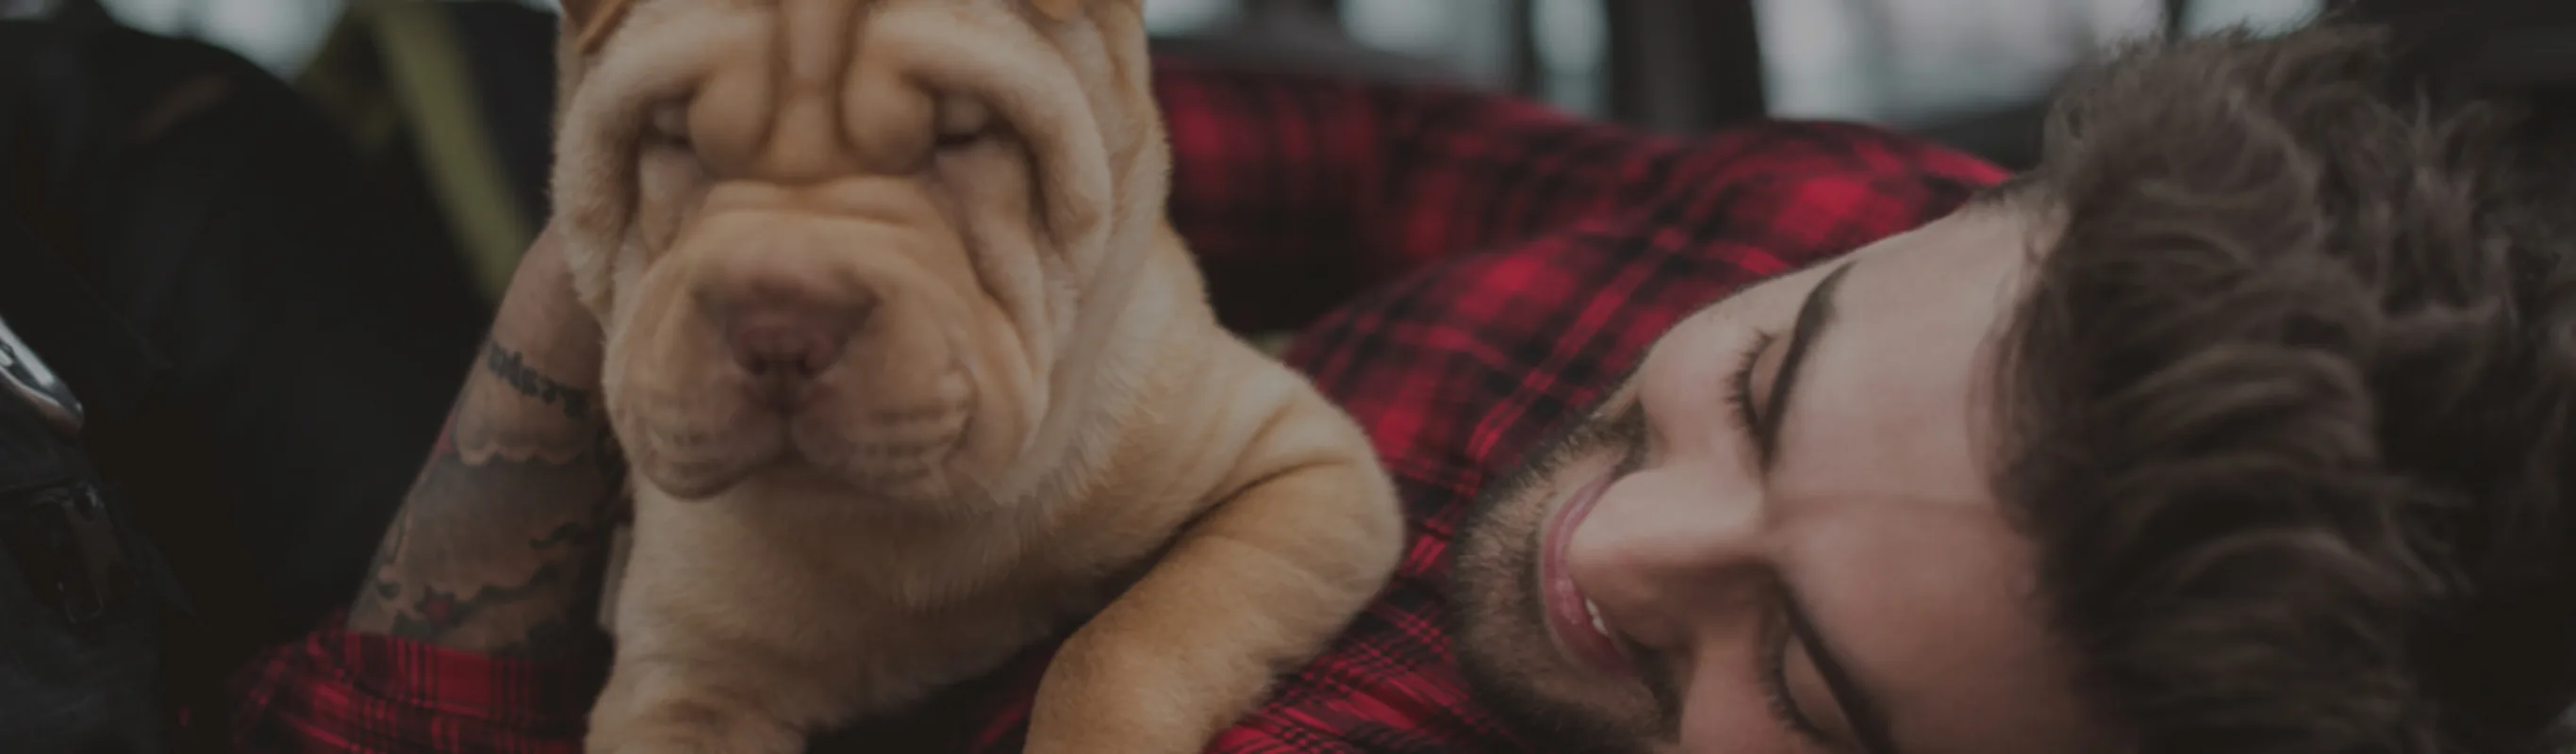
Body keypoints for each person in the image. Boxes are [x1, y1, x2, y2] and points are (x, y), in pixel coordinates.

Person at [228, 22, 2576, 753]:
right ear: (1937, 219)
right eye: (1759, 398)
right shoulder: (1813, 204)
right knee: (133, 119)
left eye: (1817, 697)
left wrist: (582, 309)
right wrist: (924, 187)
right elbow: (1365, 142)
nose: (1614, 555)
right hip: (755, 434)